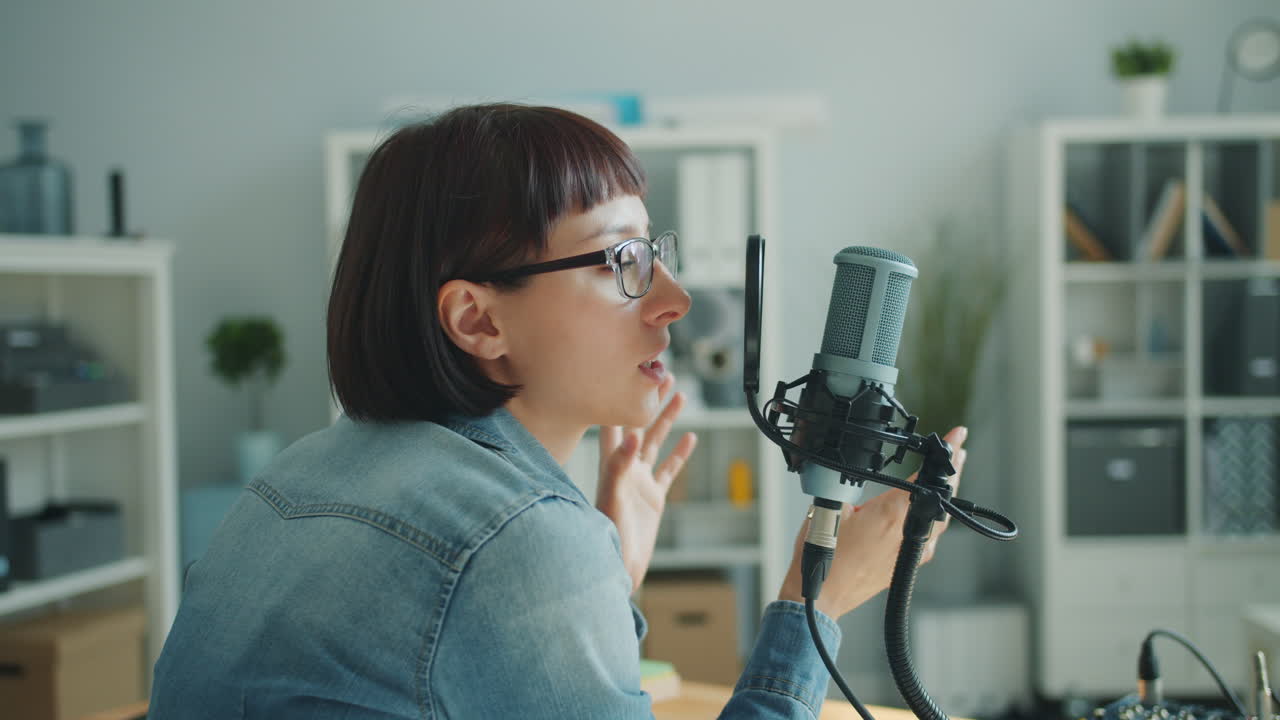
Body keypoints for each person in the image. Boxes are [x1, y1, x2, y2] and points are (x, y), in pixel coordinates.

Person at [148, 103, 967, 719]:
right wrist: (813, 606)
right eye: (622, 261)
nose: (676, 301)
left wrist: (607, 579)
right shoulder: (518, 539)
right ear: (478, 319)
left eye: (657, 253)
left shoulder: (301, 470)